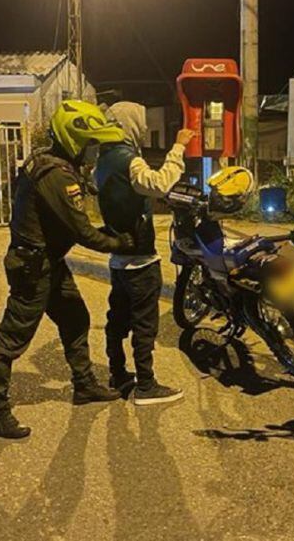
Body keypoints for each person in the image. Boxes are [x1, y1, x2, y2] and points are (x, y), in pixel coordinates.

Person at [0, 100, 135, 440]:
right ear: (73, 141)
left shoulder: (50, 161)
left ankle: (83, 386)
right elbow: (84, 232)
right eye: (91, 144)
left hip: (47, 260)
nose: (94, 152)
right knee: (12, 339)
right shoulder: (57, 175)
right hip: (33, 267)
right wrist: (122, 242)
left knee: (75, 318)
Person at [95, 102, 196, 406]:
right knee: (144, 325)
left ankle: (117, 373)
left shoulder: (102, 160)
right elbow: (159, 184)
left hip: (118, 258)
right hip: (140, 259)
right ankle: (146, 386)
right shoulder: (130, 160)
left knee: (118, 319)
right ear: (131, 125)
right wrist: (178, 147)